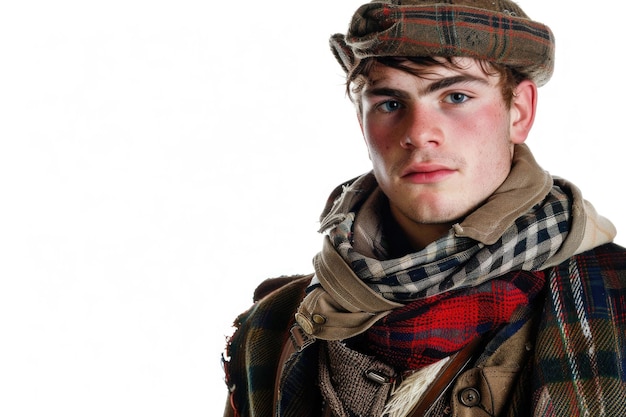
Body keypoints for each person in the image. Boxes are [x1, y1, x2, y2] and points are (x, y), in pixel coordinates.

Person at [222, 0, 626, 415]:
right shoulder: (271, 330)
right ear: (362, 124)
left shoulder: (616, 301)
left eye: (455, 95)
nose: (418, 133)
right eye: (390, 104)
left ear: (518, 112)